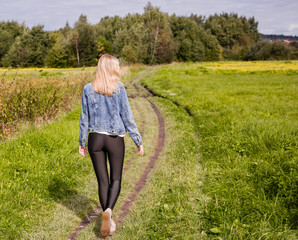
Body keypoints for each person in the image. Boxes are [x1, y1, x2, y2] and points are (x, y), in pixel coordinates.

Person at [78, 54, 144, 238]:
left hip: (95, 139)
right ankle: (108, 211)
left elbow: (84, 119)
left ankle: (108, 218)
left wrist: (82, 143)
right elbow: (127, 116)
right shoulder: (119, 88)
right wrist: (137, 140)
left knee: (102, 181)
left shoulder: (88, 89)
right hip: (115, 138)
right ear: (112, 68)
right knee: (115, 179)